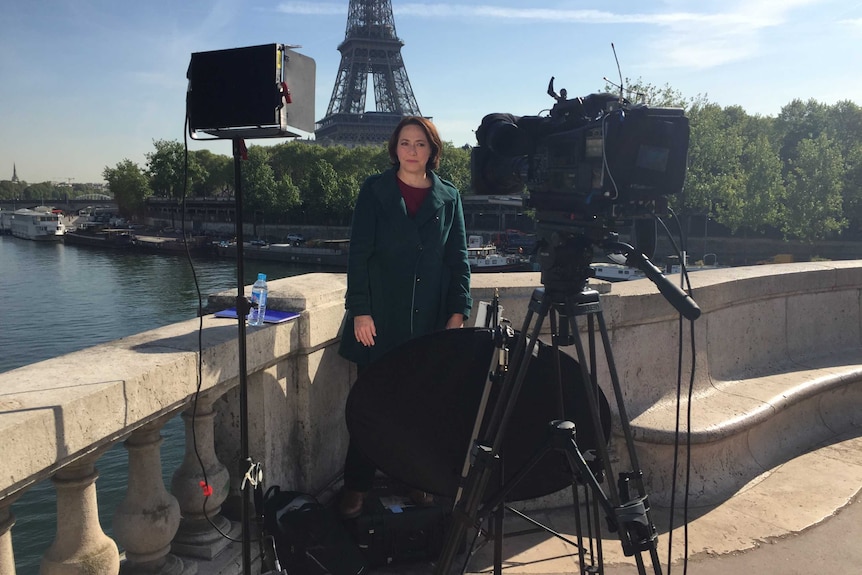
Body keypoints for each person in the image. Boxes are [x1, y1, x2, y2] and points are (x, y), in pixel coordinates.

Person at [337, 116, 473, 518]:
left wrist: (457, 312)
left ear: (432, 150)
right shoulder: (374, 190)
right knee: (371, 406)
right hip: (379, 319)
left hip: (429, 322)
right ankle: (356, 486)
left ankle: (414, 480)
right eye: (405, 143)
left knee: (419, 409)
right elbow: (358, 253)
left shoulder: (449, 197)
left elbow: (459, 260)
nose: (412, 151)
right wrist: (360, 310)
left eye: (420, 144)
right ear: (394, 148)